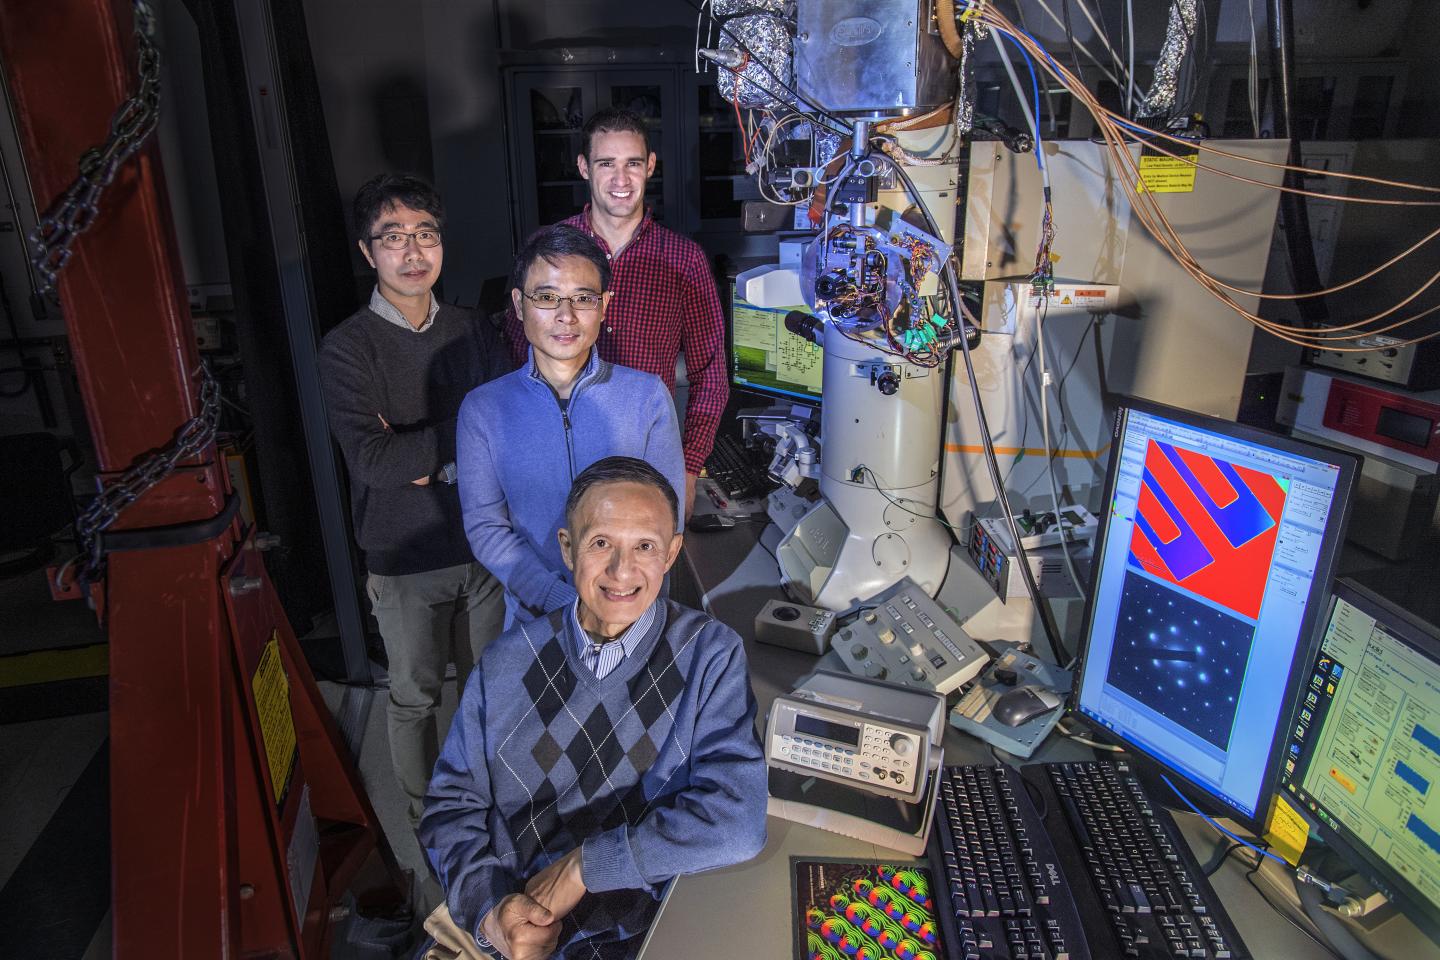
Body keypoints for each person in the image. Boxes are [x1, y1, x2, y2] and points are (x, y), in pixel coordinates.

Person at [421, 456, 768, 960]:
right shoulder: (505, 662)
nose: (621, 571)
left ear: (672, 553)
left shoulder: (711, 656)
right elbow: (451, 807)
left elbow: (737, 820)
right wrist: (492, 913)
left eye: (645, 546)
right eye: (600, 543)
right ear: (567, 548)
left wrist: (587, 865)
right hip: (508, 922)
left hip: (633, 936)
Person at [319, 173, 510, 826]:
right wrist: (460, 442)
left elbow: (503, 429)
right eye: (393, 238)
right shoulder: (347, 348)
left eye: (425, 234)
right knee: (418, 696)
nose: (412, 251)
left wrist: (427, 456)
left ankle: (484, 808)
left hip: (482, 547)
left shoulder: (473, 332)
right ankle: (435, 828)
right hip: (404, 556)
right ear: (369, 253)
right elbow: (375, 462)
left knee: (485, 691)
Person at [502, 107, 728, 519]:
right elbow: (516, 360)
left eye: (633, 164)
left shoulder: (683, 260)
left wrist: (689, 464)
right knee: (555, 569)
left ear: (651, 166)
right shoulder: (547, 252)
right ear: (584, 167)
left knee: (641, 578)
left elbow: (710, 373)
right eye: (607, 163)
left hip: (645, 457)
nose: (621, 180)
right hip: (557, 455)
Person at [458, 225, 686, 623]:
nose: (565, 316)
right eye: (546, 297)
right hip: (536, 618)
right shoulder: (483, 409)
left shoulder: (646, 397)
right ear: (518, 303)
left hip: (633, 613)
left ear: (605, 305)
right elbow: (485, 526)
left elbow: (669, 515)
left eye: (583, 298)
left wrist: (624, 596)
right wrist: (555, 598)